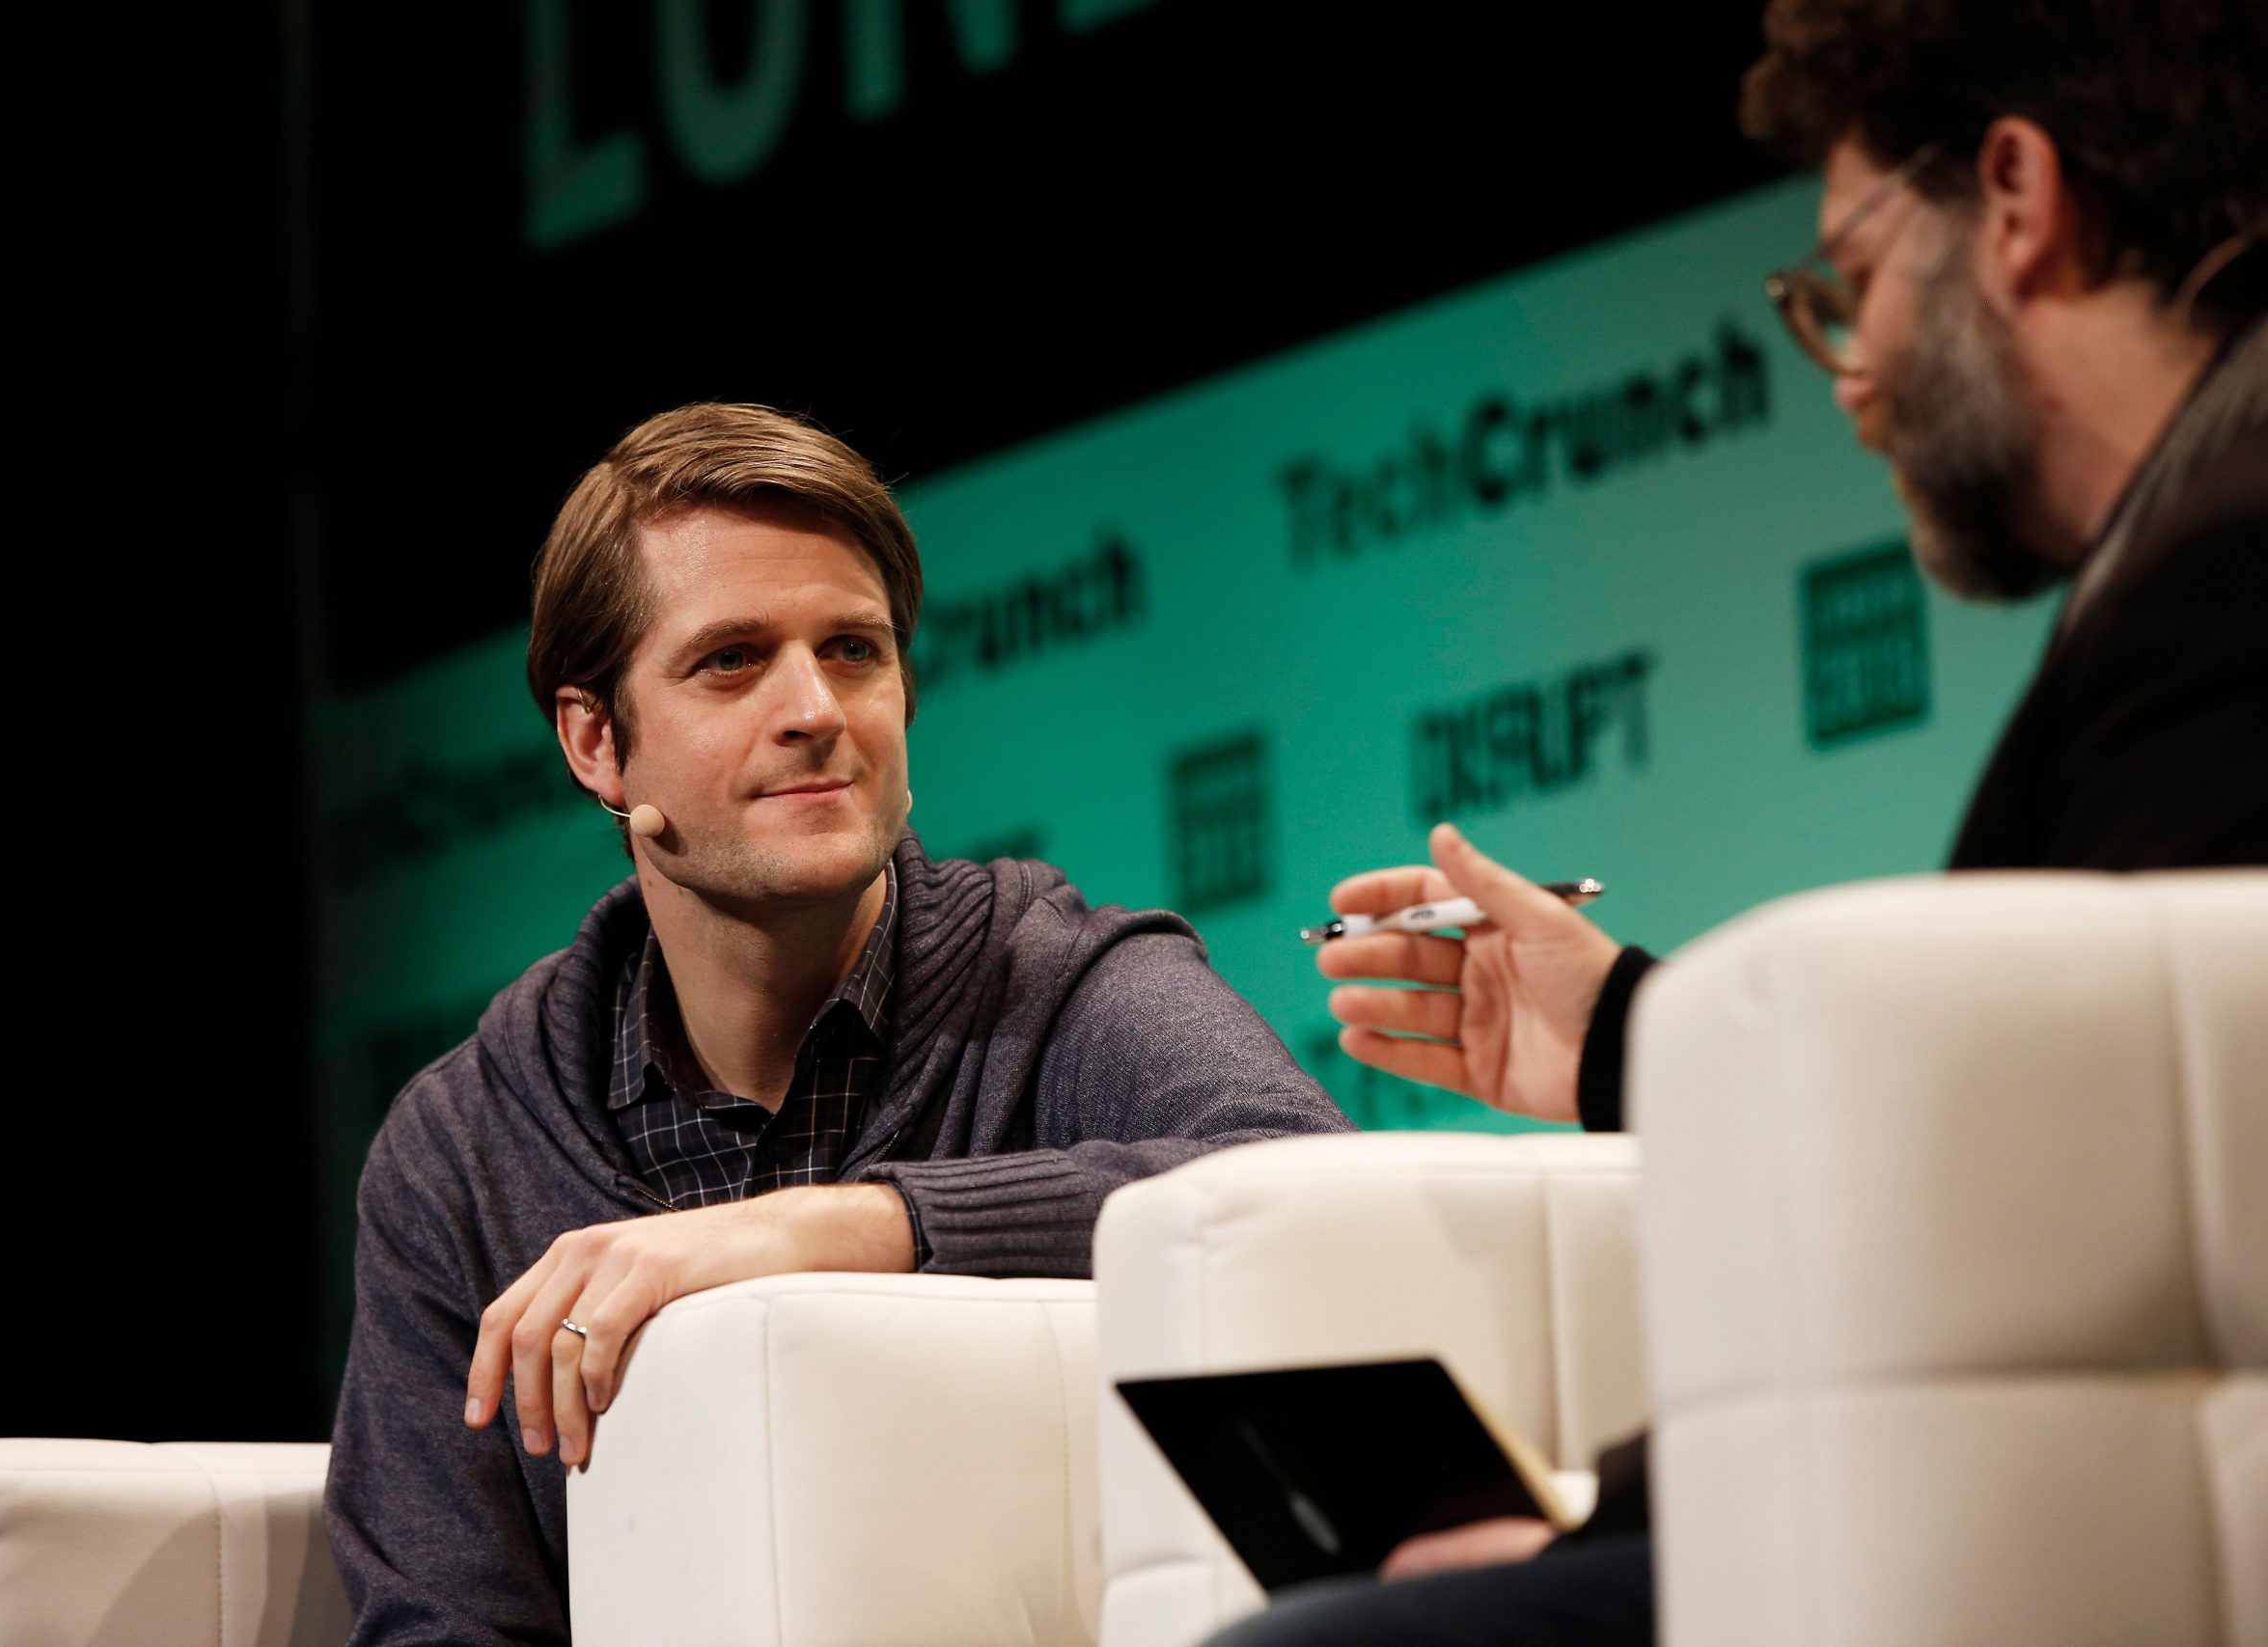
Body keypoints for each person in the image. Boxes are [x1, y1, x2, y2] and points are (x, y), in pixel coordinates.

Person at [1215, 0, 2266, 1642]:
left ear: (2015, 197)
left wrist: (1588, 1529)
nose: (1855, 376)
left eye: (1854, 275)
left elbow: (2032, 1251)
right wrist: (1625, 1028)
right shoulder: (2198, 544)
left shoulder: (2225, 578)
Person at [324, 402, 1352, 1644]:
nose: (815, 707)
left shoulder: (1058, 981)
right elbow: (443, 1623)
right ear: (597, 742)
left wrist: (850, 1226)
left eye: (854, 651)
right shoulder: (464, 1150)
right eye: (732, 660)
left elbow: (1313, 1204)